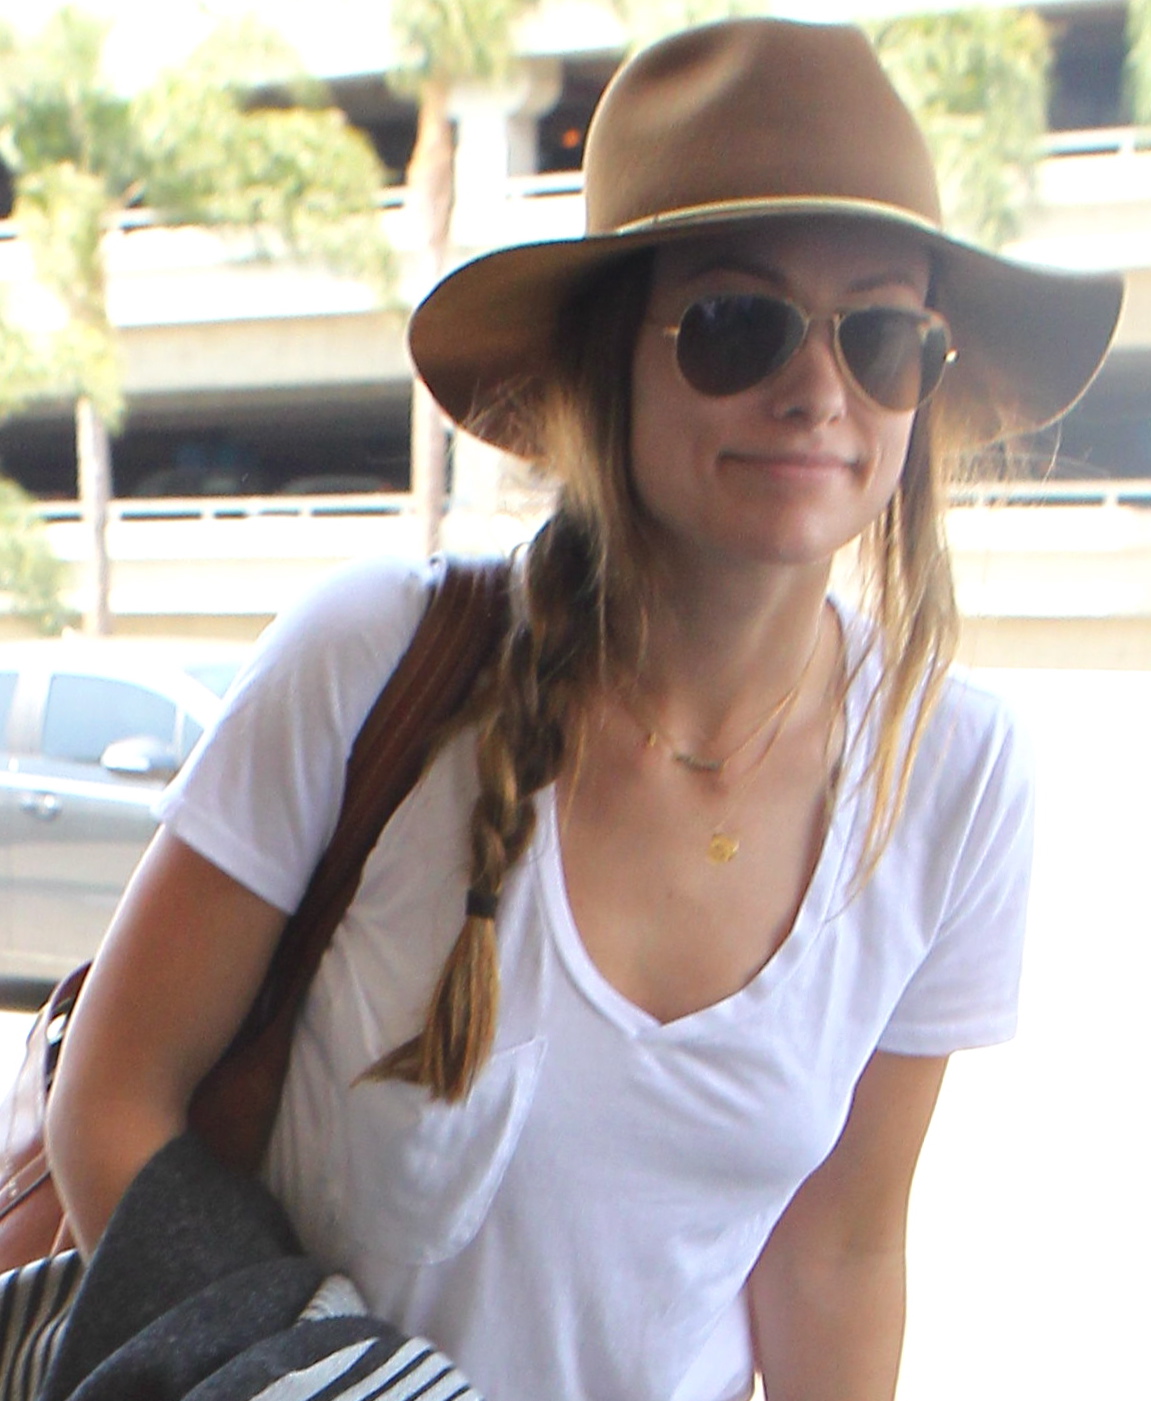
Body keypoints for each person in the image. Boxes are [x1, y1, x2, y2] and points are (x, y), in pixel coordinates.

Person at [45, 18, 1122, 1401]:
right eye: (737, 325)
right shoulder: (373, 660)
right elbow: (115, 1099)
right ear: (613, 359)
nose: (817, 390)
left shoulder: (957, 776)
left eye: (883, 335)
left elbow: (838, 1255)